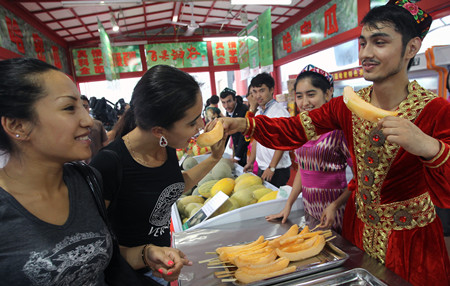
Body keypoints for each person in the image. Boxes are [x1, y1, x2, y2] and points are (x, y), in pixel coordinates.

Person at [220, 1, 450, 284]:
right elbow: (293, 130)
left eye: (379, 42)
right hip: (357, 228)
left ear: (411, 48)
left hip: (412, 240)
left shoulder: (437, 110)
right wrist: (244, 123)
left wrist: (428, 147)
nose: (365, 53)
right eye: (363, 43)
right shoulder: (346, 105)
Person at [0, 57, 189, 285]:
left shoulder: (86, 181)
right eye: (69, 108)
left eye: (82, 106)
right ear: (17, 125)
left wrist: (146, 254)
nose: (89, 121)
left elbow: (105, 258)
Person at [90, 64, 226, 285]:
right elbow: (95, 246)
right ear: (158, 131)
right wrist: (147, 256)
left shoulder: (166, 146)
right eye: (192, 122)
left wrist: (214, 158)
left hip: (160, 267)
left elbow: (173, 186)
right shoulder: (108, 164)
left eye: (199, 116)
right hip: (128, 276)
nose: (200, 126)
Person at [266, 65, 353, 234]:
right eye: (299, 96)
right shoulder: (301, 130)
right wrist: (288, 206)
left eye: (311, 94)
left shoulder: (339, 131)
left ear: (327, 94)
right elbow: (302, 170)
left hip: (336, 211)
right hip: (310, 209)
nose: (305, 103)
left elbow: (360, 178)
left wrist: (335, 206)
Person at [243, 72, 291, 188]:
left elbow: (282, 143)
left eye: (262, 90)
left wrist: (272, 167)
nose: (258, 95)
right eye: (254, 91)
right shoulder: (259, 112)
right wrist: (251, 162)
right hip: (263, 167)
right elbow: (256, 141)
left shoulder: (279, 113)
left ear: (271, 90)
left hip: (277, 169)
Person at [220, 87, 249, 167]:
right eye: (223, 102)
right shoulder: (229, 110)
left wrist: (237, 156)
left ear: (235, 100)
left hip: (247, 151)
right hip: (238, 149)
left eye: (229, 101)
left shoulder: (244, 110)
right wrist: (219, 150)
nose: (226, 106)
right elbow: (227, 133)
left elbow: (244, 135)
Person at [81, 95, 108, 163]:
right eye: (81, 106)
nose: (83, 109)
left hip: (98, 163)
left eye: (85, 106)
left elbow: (105, 144)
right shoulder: (72, 127)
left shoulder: (97, 124)